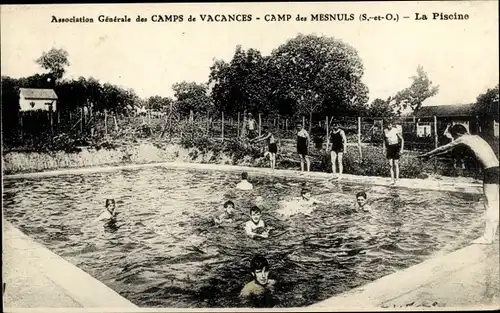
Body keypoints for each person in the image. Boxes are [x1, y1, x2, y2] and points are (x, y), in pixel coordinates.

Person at [418, 124, 499, 245]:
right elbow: (451, 152)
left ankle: (487, 238)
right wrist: (432, 156)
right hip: (497, 168)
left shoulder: (462, 139)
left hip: (490, 172)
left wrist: (427, 154)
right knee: (495, 204)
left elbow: (443, 148)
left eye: (454, 136)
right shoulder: (476, 138)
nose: (454, 140)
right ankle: (492, 235)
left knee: (489, 205)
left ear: (458, 134)